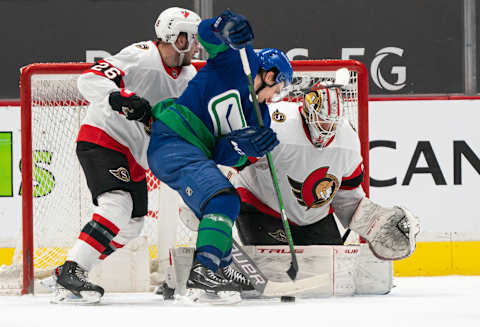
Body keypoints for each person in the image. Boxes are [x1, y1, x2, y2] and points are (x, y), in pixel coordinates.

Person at [51, 7, 201, 304]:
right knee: (117, 205)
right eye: (191, 39)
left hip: (133, 154)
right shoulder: (142, 55)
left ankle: (68, 272)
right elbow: (89, 79)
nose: (196, 46)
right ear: (175, 38)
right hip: (103, 138)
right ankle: (73, 269)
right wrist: (117, 97)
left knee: (132, 224)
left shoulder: (189, 76)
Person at [147, 9, 293, 300]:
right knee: (224, 198)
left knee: (222, 202)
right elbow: (204, 34)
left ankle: (221, 266)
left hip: (195, 154)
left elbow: (225, 155)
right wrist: (223, 27)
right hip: (173, 140)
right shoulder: (240, 59)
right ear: (270, 73)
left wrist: (243, 147)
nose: (278, 94)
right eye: (280, 85)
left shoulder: (261, 117)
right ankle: (205, 269)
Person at [234, 84, 420, 262]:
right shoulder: (276, 124)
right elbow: (235, 162)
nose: (327, 129)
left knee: (332, 275)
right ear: (307, 111)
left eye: (332, 123)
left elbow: (347, 194)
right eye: (321, 120)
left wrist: (372, 222)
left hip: (314, 218)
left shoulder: (347, 140)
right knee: (274, 271)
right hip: (262, 209)